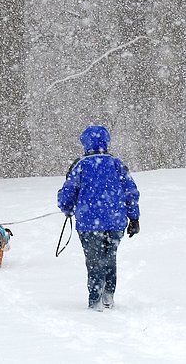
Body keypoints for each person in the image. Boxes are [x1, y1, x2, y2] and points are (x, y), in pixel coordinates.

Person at [57, 124, 140, 310]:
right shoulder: (117, 164)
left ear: (85, 143)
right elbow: (131, 192)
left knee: (94, 262)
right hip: (115, 221)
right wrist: (134, 218)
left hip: (89, 224)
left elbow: (68, 193)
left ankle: (95, 301)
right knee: (109, 258)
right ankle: (108, 296)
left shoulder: (80, 165)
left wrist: (66, 207)